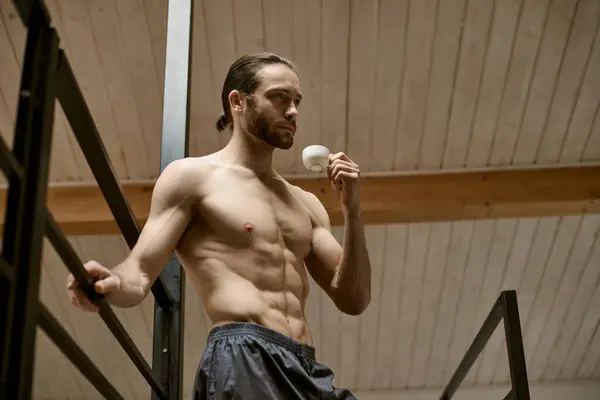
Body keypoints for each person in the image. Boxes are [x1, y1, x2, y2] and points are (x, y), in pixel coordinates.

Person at [66, 52, 372, 399]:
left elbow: (354, 299)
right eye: (279, 97)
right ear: (238, 102)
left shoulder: (306, 204)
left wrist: (352, 210)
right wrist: (109, 282)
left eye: (297, 101)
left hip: (305, 367)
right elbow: (139, 273)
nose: (292, 111)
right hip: (244, 354)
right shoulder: (193, 178)